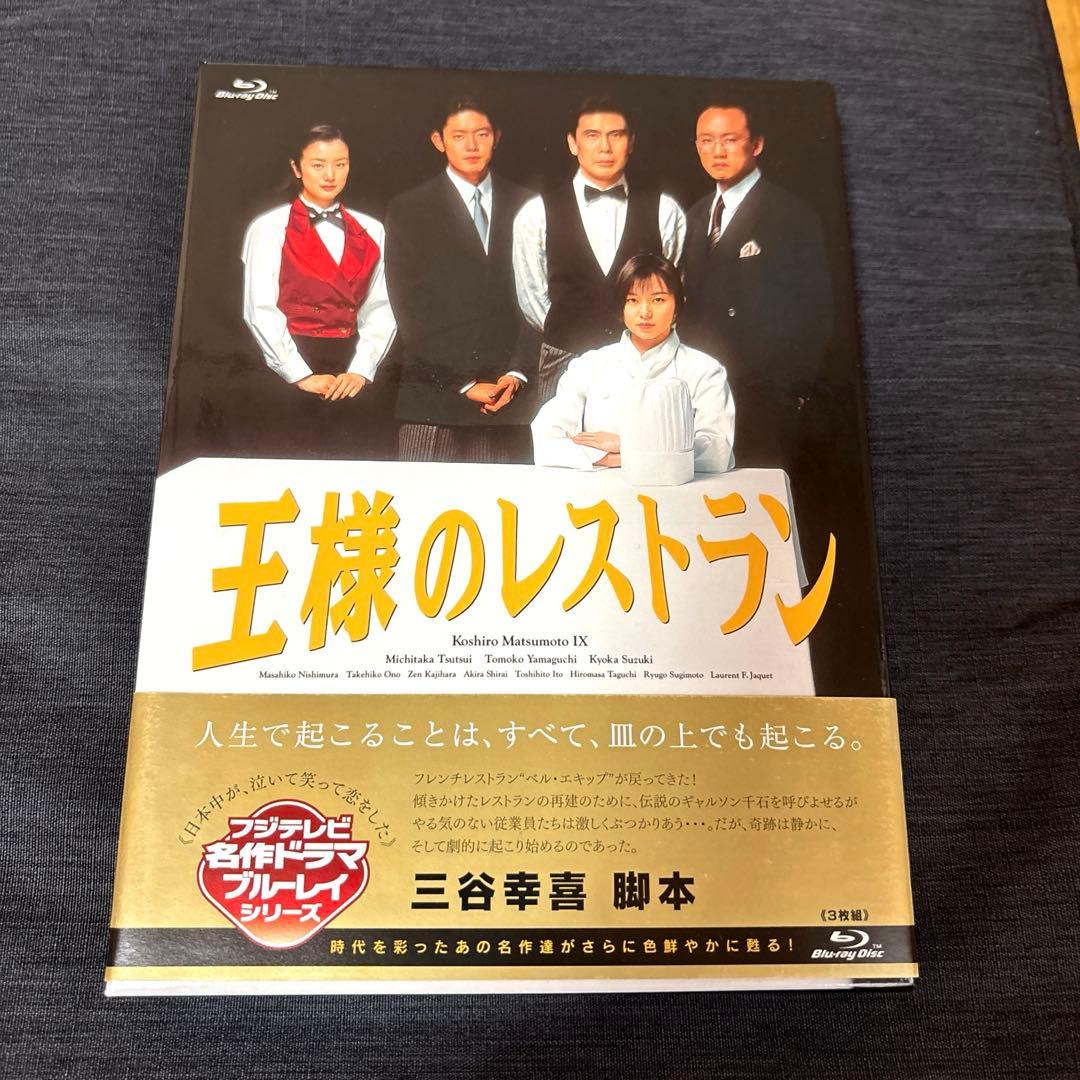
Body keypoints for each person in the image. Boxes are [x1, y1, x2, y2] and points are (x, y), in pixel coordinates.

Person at [385, 95, 537, 463]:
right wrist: (464, 383)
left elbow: (540, 299)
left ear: (496, 137)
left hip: (508, 400)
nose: (471, 145)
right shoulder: (409, 208)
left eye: (481, 134)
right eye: (458, 136)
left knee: (502, 500)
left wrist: (517, 372)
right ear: (438, 140)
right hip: (434, 398)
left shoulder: (529, 203)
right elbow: (410, 309)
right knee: (422, 498)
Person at [679, 102, 832, 466]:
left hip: (764, 400)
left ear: (757, 144)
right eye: (706, 140)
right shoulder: (695, 215)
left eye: (730, 139)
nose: (717, 151)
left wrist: (792, 393)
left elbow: (816, 311)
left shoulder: (790, 214)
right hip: (703, 396)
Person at [512, 96, 686, 404]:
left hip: (645, 364)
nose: (605, 147)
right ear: (572, 143)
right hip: (564, 362)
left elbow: (673, 293)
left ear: (631, 143)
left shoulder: (665, 210)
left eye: (616, 135)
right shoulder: (535, 213)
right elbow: (533, 300)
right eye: (592, 135)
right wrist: (574, 335)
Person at [241, 122, 396, 456]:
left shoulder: (373, 229)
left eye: (340, 164)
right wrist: (299, 375)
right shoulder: (268, 227)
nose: (330, 175)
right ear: (296, 168)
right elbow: (260, 309)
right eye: (318, 164)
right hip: (285, 366)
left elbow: (381, 307)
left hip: (352, 367)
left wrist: (361, 370)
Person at [532, 253, 734, 477]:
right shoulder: (589, 365)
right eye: (633, 300)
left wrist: (627, 445)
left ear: (677, 305)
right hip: (600, 488)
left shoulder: (704, 370)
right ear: (622, 307)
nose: (645, 312)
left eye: (658, 300)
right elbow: (545, 439)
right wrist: (616, 459)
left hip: (676, 488)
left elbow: (716, 452)